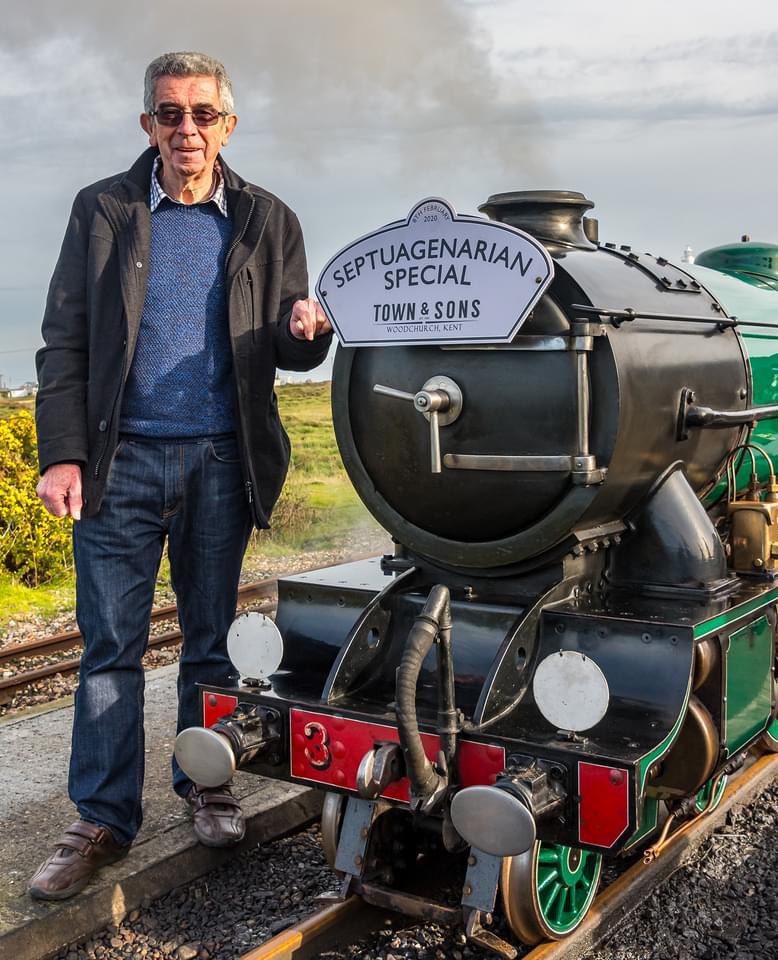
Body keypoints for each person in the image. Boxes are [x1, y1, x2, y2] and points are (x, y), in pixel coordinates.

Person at [28, 51, 332, 901]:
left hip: (218, 459)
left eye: (202, 114)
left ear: (227, 124)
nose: (186, 129)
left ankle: (205, 781)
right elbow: (66, 339)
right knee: (110, 648)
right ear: (147, 124)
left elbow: (286, 344)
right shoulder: (104, 211)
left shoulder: (270, 219)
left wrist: (309, 334)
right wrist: (62, 453)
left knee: (209, 641)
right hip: (117, 462)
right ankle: (100, 820)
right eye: (170, 114)